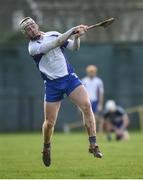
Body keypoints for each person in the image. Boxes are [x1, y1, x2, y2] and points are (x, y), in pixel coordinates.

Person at [19, 17, 102, 167]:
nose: (31, 29)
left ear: (36, 25)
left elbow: (74, 48)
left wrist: (76, 37)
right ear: (26, 34)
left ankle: (93, 144)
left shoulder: (53, 33)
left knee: (86, 106)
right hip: (52, 84)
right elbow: (56, 43)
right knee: (50, 123)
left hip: (69, 79)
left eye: (32, 26)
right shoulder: (33, 48)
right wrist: (72, 29)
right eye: (28, 29)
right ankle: (46, 146)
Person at [82, 65, 104, 132]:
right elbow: (81, 93)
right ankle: (88, 132)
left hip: (95, 101)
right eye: (90, 71)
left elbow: (101, 93)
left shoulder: (98, 81)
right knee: (86, 118)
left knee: (96, 118)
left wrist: (100, 104)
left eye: (93, 71)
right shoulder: (84, 81)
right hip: (86, 101)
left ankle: (97, 133)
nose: (91, 73)